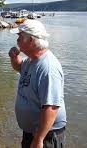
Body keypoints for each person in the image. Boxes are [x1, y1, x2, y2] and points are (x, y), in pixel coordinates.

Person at [8, 19, 67, 148]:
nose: (17, 40)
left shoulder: (48, 68)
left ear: (30, 40)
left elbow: (51, 107)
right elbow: (19, 67)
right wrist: (14, 58)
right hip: (33, 132)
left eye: (20, 37)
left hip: (47, 134)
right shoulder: (31, 59)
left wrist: (39, 139)